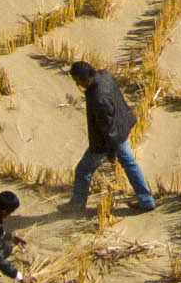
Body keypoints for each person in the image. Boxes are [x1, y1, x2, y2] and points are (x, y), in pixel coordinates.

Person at [63, 60, 157, 213]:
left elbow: (108, 130)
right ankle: (146, 201)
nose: (78, 85)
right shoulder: (105, 75)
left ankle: (77, 205)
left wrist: (111, 153)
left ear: (86, 79)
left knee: (83, 170)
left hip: (108, 140)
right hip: (123, 125)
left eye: (77, 81)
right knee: (130, 163)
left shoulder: (98, 99)